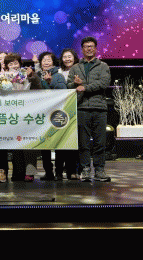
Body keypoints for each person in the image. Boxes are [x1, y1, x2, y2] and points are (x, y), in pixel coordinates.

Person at [67, 36, 112, 182]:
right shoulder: (75, 67)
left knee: (100, 142)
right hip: (81, 107)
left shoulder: (103, 66)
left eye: (91, 46)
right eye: (86, 46)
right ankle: (85, 169)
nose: (89, 49)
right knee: (83, 142)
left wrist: (84, 87)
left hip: (99, 108)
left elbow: (103, 83)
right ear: (82, 49)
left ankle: (99, 170)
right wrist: (75, 84)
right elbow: (69, 86)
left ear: (96, 49)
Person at [3, 53, 42, 182]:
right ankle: (18, 172)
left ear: (20, 63)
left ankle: (30, 172)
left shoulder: (27, 74)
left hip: (28, 112)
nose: (14, 66)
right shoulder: (3, 76)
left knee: (28, 142)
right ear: (6, 66)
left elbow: (38, 88)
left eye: (16, 63)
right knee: (15, 143)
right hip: (11, 113)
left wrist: (32, 76)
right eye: (10, 63)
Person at [36, 51, 67, 181]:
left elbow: (63, 92)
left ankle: (59, 171)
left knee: (59, 143)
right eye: (43, 60)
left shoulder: (58, 76)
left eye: (49, 60)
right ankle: (48, 171)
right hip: (41, 114)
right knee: (45, 144)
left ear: (53, 62)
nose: (46, 62)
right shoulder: (37, 76)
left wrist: (50, 83)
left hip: (56, 113)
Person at [58, 48, 80, 180]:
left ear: (75, 58)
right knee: (61, 142)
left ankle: (73, 170)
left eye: (69, 56)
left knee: (74, 141)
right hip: (61, 110)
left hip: (77, 108)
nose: (67, 59)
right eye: (65, 57)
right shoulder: (59, 72)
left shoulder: (79, 70)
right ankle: (59, 172)